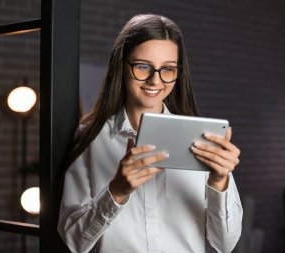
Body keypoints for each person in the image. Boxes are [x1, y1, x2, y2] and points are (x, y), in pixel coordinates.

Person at [57, 13, 243, 253]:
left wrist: (219, 182)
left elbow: (225, 245)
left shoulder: (202, 140)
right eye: (143, 67)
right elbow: (73, 241)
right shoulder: (91, 138)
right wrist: (116, 191)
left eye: (168, 69)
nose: (156, 81)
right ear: (121, 66)